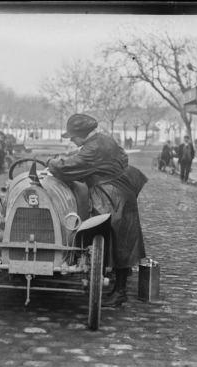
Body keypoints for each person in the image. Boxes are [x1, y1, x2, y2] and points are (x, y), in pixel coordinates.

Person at [48, 114, 146, 308]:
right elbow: (122, 159)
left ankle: (120, 293)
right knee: (121, 240)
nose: (73, 142)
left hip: (111, 196)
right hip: (122, 190)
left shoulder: (93, 147)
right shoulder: (105, 140)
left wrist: (52, 162)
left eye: (73, 137)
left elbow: (69, 166)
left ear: (82, 134)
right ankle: (118, 287)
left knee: (118, 241)